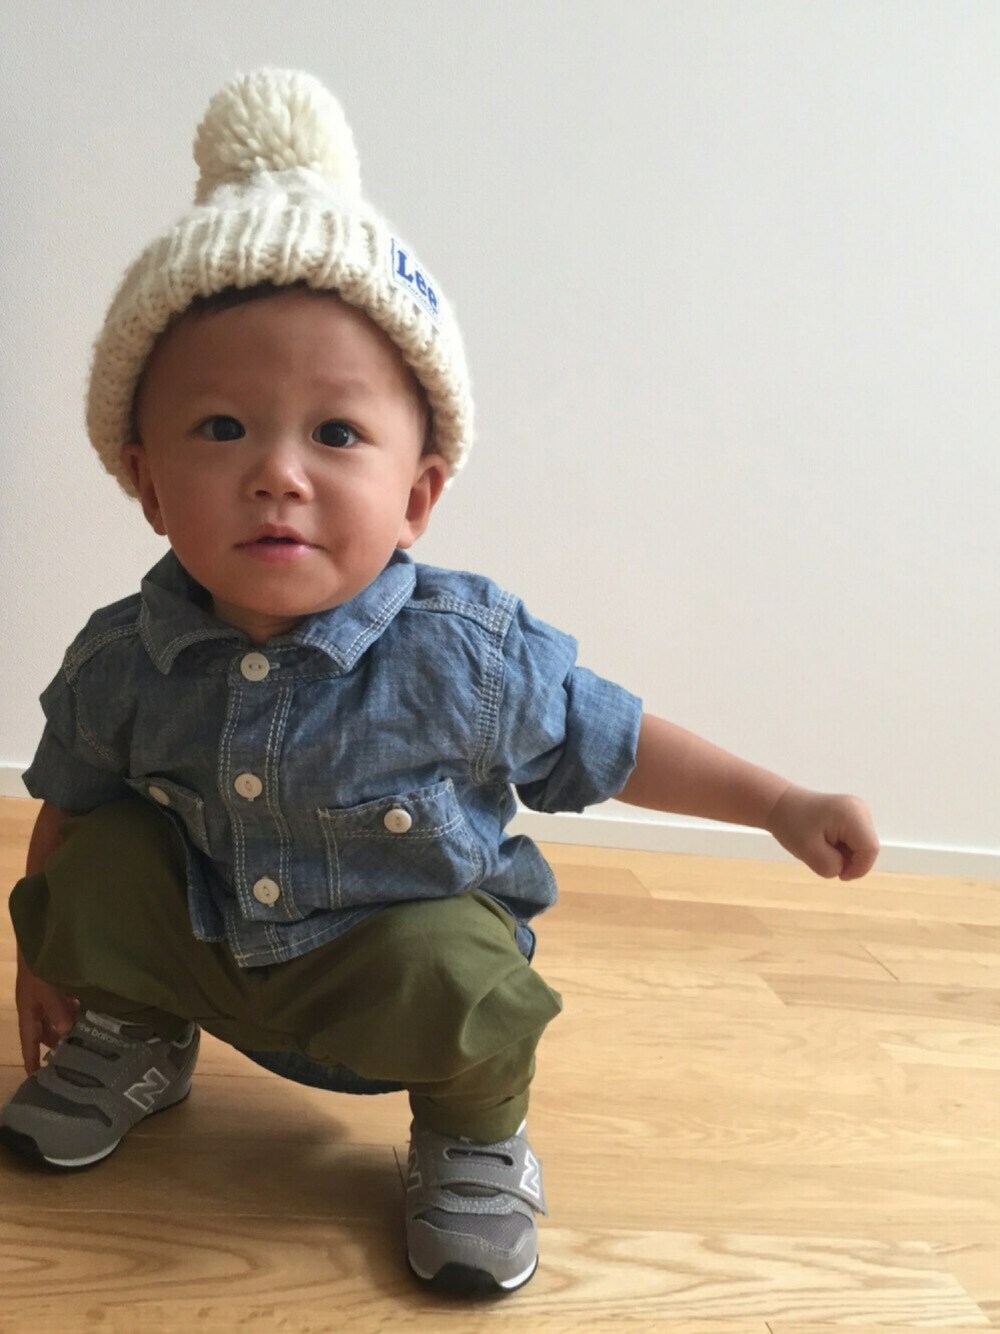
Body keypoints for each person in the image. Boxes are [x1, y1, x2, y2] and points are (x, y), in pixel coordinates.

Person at [0, 69, 879, 1297]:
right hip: (206, 937)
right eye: (222, 428)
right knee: (100, 861)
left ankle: (470, 1135)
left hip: (384, 977)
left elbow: (616, 737)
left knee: (460, 966)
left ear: (417, 494)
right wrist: (43, 953)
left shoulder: (464, 654)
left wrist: (779, 802)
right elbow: (72, 804)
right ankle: (137, 1031)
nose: (277, 474)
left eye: (335, 433)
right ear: (145, 482)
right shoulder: (119, 660)